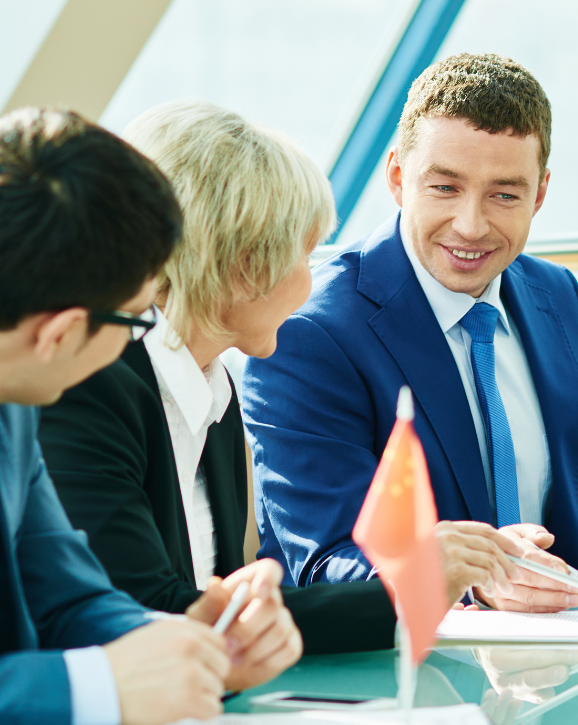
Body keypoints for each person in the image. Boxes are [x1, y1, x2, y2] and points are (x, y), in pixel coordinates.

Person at [38, 101, 526, 655]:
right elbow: (146, 610)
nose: (309, 281)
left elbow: (219, 606)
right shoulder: (89, 390)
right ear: (247, 267)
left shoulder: (211, 394)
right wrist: (405, 589)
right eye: (303, 255)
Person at [0, 106, 300, 725]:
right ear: (58, 334)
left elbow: (69, 596)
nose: (145, 340)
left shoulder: (15, 402)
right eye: (137, 319)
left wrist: (191, 645)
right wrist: (95, 687)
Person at [242, 52, 578, 612]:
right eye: (445, 187)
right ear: (398, 177)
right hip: (400, 676)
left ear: (540, 195)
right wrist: (467, 575)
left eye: (505, 195)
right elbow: (323, 567)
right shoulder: (308, 335)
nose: (471, 225)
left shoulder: (560, 299)